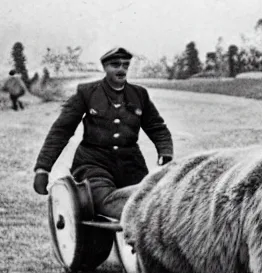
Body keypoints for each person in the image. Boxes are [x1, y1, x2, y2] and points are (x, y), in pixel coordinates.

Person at [33, 47, 173, 219]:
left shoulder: (139, 94)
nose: (121, 69)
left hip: (131, 165)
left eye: (125, 65)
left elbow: (157, 127)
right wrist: (43, 168)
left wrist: (165, 151)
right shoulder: (86, 92)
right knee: (108, 204)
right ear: (105, 67)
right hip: (93, 165)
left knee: (150, 201)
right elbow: (62, 130)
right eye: (115, 65)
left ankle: (138, 236)